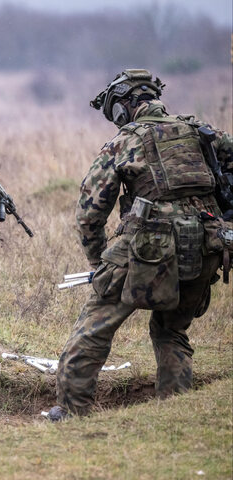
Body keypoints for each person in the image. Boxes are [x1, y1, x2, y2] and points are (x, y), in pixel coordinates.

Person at [48, 69, 233, 421]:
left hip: (149, 247)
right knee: (171, 330)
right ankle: (174, 412)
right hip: (209, 246)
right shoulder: (202, 132)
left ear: (124, 108)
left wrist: (98, 261)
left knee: (95, 324)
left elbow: (89, 212)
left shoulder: (125, 141)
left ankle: (71, 411)